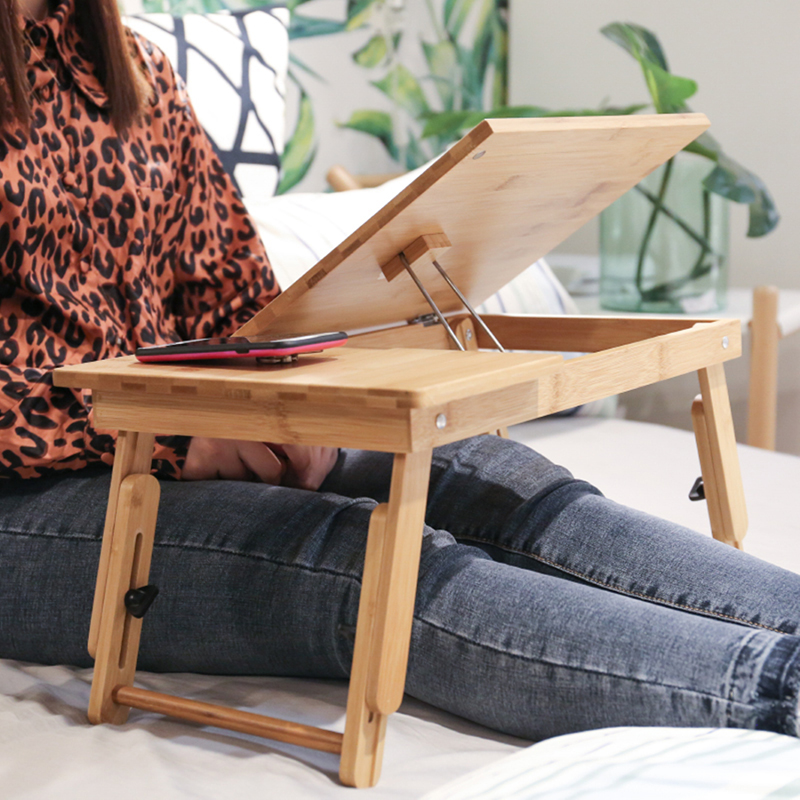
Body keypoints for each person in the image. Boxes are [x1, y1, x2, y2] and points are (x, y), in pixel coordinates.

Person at [2, 0, 800, 747]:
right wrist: (173, 432)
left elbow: (228, 295)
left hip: (160, 436)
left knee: (486, 473)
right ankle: (780, 693)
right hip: (33, 493)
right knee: (358, 554)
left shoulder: (131, 70)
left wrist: (286, 408)